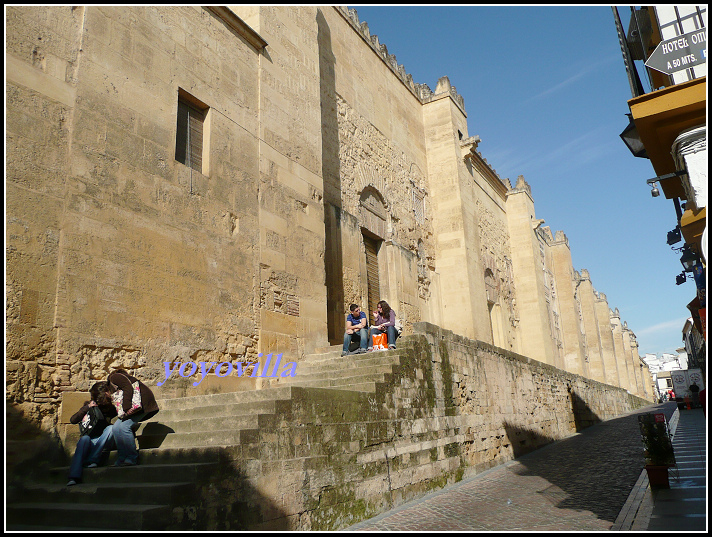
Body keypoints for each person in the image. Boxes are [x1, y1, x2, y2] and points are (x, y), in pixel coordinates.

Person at [67, 381, 117, 486]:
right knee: (84, 439)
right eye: (107, 392)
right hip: (89, 441)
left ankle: (92, 460)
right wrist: (87, 408)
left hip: (102, 440)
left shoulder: (110, 408)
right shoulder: (89, 406)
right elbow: (73, 420)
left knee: (111, 428)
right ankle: (73, 477)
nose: (109, 393)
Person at [106, 369, 159, 467]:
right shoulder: (115, 384)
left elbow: (127, 386)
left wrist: (126, 407)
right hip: (133, 405)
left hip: (142, 404)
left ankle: (131, 458)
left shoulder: (114, 377)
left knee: (125, 427)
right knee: (116, 427)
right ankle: (121, 458)